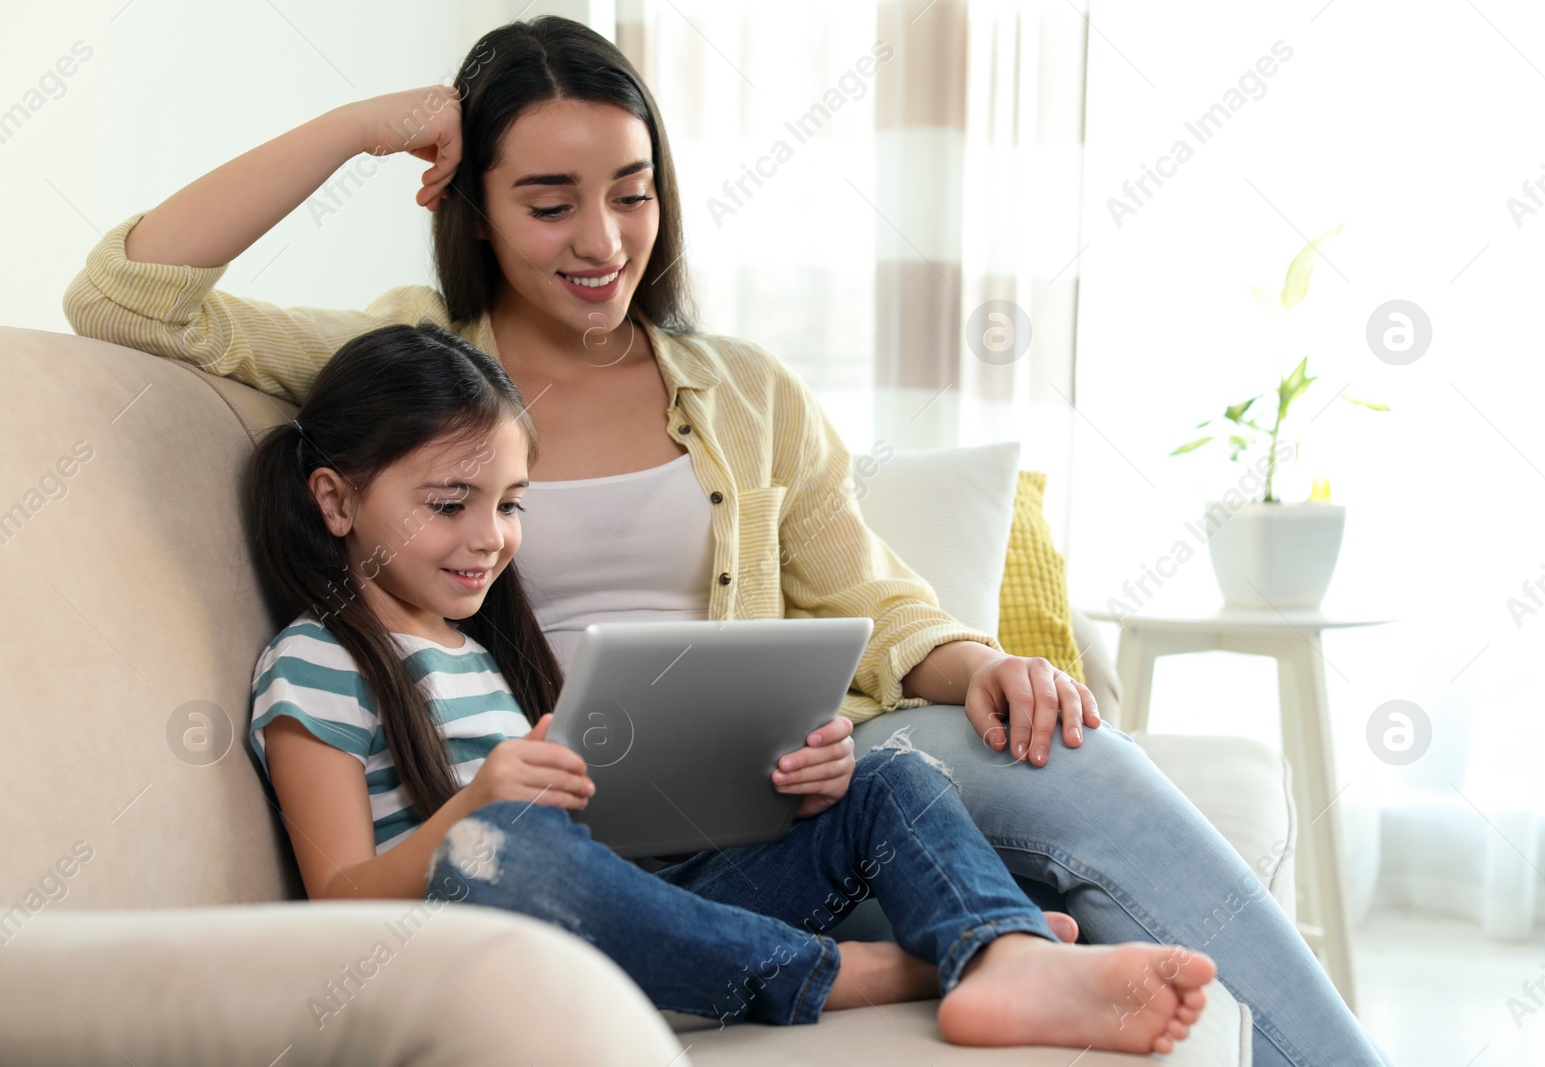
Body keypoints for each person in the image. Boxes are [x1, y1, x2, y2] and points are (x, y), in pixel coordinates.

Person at [63, 15, 1390, 1064]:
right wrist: (362, 125)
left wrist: (975, 660)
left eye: (632, 194)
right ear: (470, 205)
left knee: (1035, 752)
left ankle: (1041, 971)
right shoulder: (401, 366)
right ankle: (918, 961)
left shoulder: (746, 389)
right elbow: (127, 294)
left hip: (757, 825)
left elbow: (873, 597)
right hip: (561, 854)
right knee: (518, 849)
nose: (603, 241)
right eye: (549, 201)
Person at [243, 320, 1214, 1049]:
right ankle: (889, 968)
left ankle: (1002, 956)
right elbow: (336, 900)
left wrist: (783, 781)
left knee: (886, 776)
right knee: (506, 843)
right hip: (477, 947)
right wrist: (474, 812)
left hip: (633, 906)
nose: (490, 536)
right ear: (334, 498)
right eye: (449, 504)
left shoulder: (485, 647)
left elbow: (607, 838)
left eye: (508, 503)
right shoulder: (317, 663)